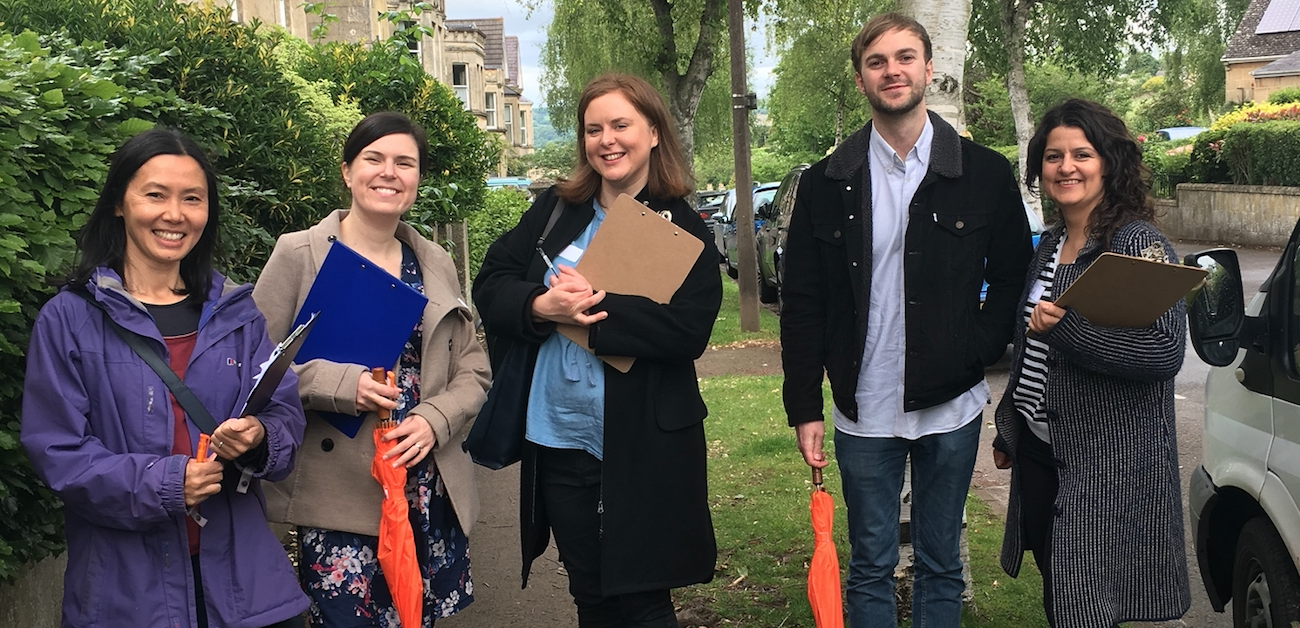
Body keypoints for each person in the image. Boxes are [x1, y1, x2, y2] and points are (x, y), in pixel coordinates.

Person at [780, 12, 1032, 627]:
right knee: (869, 563)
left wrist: (978, 346)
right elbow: (804, 303)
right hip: (862, 407)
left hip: (952, 403)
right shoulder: (825, 183)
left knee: (941, 561)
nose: (892, 71)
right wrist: (804, 406)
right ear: (861, 78)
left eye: (904, 57)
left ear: (928, 68)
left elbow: (1011, 277)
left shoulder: (985, 173)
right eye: (877, 61)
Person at [21, 128, 309, 627]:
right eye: (155, 194)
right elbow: (58, 453)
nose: (174, 214)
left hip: (247, 593)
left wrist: (260, 437)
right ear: (118, 203)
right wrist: (168, 482)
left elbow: (283, 413)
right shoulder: (69, 319)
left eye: (192, 199)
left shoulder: (236, 314)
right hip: (125, 596)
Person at [472, 73, 722, 628]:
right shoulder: (557, 210)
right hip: (559, 435)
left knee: (643, 598)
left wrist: (592, 309)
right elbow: (491, 282)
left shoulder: (684, 227)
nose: (606, 140)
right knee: (590, 594)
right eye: (593, 129)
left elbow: (687, 332)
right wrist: (543, 306)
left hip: (644, 443)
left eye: (620, 125)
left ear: (653, 132)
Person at [253, 111, 490, 626]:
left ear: (418, 178)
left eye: (405, 162)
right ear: (347, 172)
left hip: (425, 484)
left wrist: (435, 419)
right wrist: (341, 384)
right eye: (374, 159)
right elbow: (252, 371)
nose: (389, 172)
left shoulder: (435, 262)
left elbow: (473, 369)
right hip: (341, 495)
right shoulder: (299, 253)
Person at [991, 98, 1191, 627]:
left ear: (1108, 162)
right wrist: (1013, 424)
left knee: (1088, 604)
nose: (1066, 167)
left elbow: (1165, 352)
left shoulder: (1136, 243)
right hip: (1041, 450)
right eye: (1053, 156)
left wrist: (1070, 332)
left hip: (1106, 468)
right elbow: (1031, 348)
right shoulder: (1052, 241)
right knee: (1061, 593)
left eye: (1082, 154)